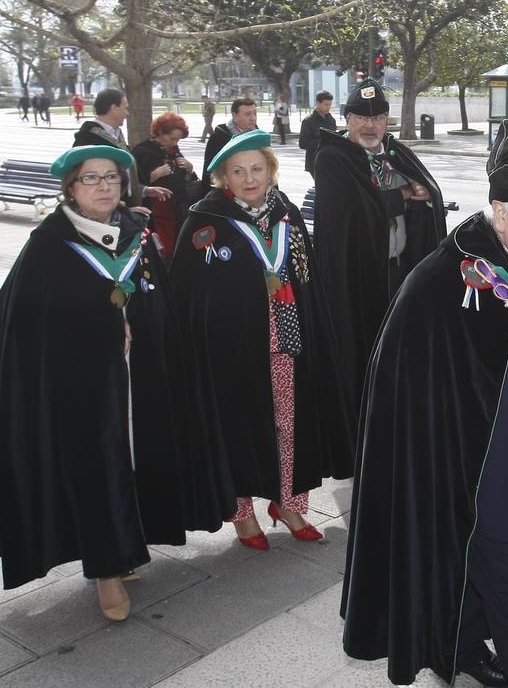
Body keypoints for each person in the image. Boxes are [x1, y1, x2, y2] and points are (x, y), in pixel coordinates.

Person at [341, 120, 508, 687]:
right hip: (484, 489)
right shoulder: (443, 284)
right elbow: (404, 398)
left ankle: (460, 644)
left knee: (481, 581)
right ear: (500, 211)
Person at [0, 145, 234, 619]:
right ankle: (107, 569)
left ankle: (129, 544)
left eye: (111, 177)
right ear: (70, 188)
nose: (105, 186)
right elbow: (15, 323)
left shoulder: (136, 233)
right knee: (99, 467)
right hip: (81, 388)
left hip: (139, 379)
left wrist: (144, 322)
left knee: (136, 457)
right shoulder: (50, 245)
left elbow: (158, 298)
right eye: (91, 179)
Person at [171, 130, 351, 551]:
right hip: (232, 351)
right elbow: (187, 294)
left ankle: (288, 503)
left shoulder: (287, 212)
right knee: (240, 428)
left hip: (287, 340)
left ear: (270, 170)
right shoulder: (205, 220)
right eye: (238, 171)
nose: (249, 178)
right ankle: (243, 512)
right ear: (223, 178)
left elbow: (307, 275)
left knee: (291, 424)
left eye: (256, 168)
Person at [312, 81, 446, 430]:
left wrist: (423, 196)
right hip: (356, 277)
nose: (369, 126)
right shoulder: (332, 157)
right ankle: (364, 427)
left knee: (401, 351)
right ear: (347, 119)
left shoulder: (397, 153)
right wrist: (401, 196)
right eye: (360, 117)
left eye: (378, 118)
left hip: (398, 271)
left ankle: (399, 421)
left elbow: (429, 193)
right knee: (363, 353)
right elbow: (352, 212)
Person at [73, 88, 172, 209]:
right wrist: (121, 210)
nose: (127, 113)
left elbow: (125, 174)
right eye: (125, 108)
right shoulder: (89, 139)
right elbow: (91, 184)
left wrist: (144, 190)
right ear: (114, 108)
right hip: (105, 213)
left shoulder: (115, 135)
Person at [132, 113, 199, 259]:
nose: (175, 143)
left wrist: (189, 169)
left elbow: (186, 181)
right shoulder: (142, 151)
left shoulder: (173, 151)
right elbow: (133, 184)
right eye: (172, 138)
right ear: (160, 132)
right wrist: (154, 175)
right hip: (156, 213)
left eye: (178, 139)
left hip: (177, 211)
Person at [200, 97, 256, 195]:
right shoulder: (220, 137)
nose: (253, 118)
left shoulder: (258, 136)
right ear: (235, 115)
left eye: (254, 113)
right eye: (247, 114)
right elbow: (210, 170)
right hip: (227, 194)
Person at [297, 90, 335, 175]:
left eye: (330, 105)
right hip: (315, 162)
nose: (328, 107)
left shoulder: (331, 120)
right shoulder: (308, 121)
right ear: (318, 103)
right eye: (326, 104)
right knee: (323, 187)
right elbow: (302, 144)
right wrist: (323, 141)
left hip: (331, 161)